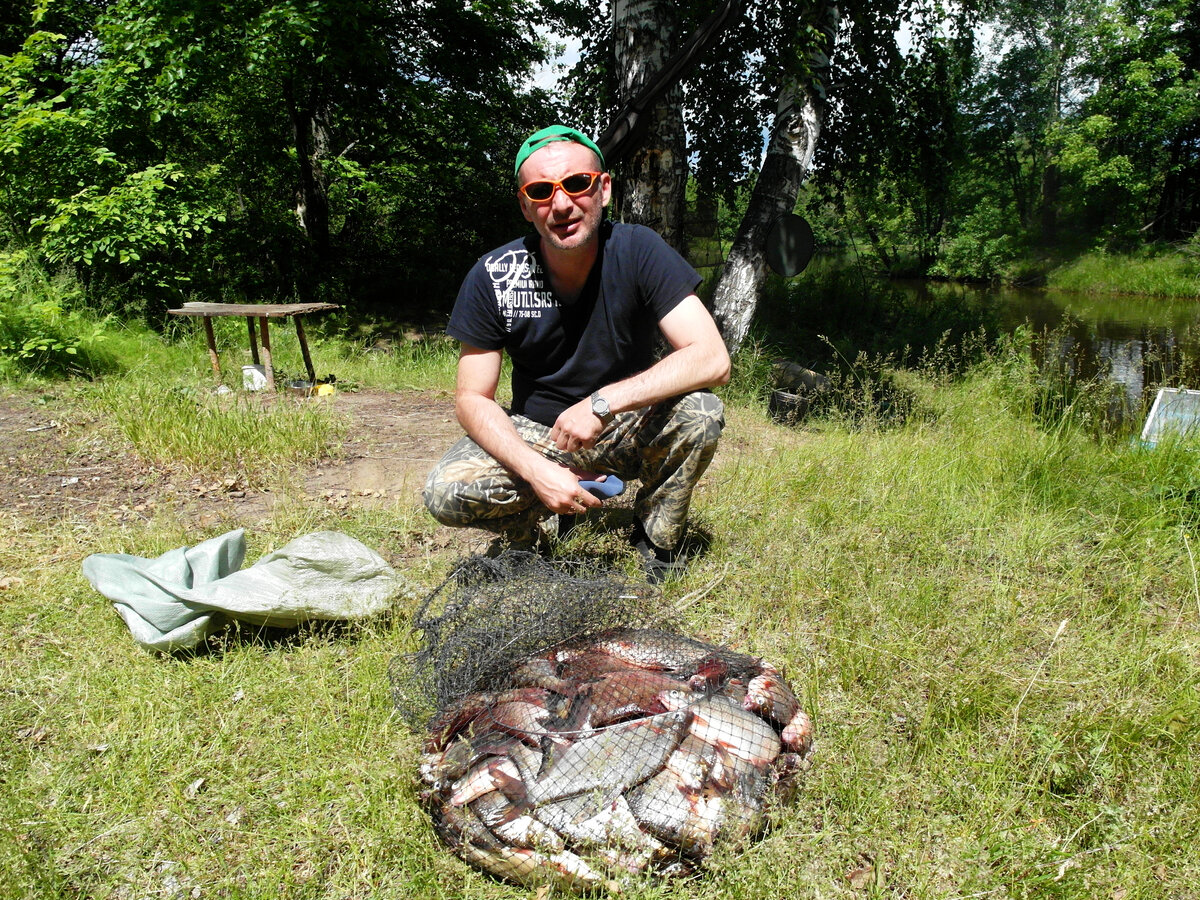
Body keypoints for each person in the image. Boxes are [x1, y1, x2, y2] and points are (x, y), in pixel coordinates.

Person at [422, 125, 730, 581]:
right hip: (538, 431)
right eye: (541, 191)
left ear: (603, 188)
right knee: (445, 491)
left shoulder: (639, 250)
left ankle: (654, 538)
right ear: (525, 206)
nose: (562, 204)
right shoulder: (494, 274)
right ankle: (528, 544)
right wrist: (537, 469)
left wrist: (601, 404)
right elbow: (472, 399)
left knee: (701, 412)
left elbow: (711, 358)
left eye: (577, 184)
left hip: (625, 420)